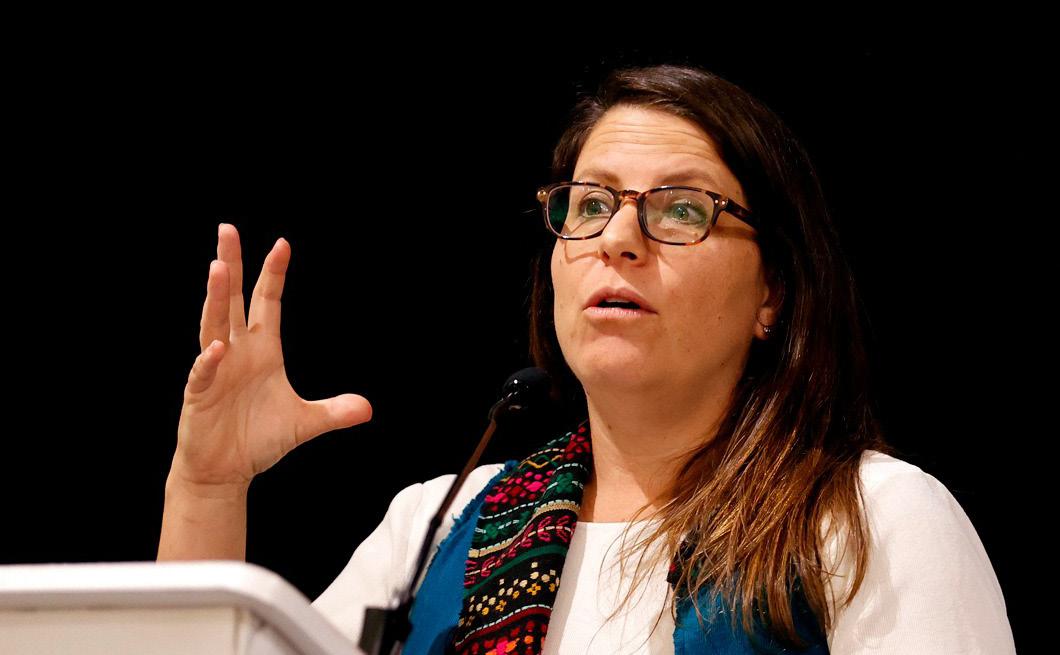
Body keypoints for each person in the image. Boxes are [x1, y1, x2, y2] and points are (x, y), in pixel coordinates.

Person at [157, 64, 1016, 654]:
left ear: (774, 292)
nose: (618, 238)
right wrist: (208, 487)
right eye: (590, 203)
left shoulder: (871, 517)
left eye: (681, 209)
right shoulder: (436, 528)